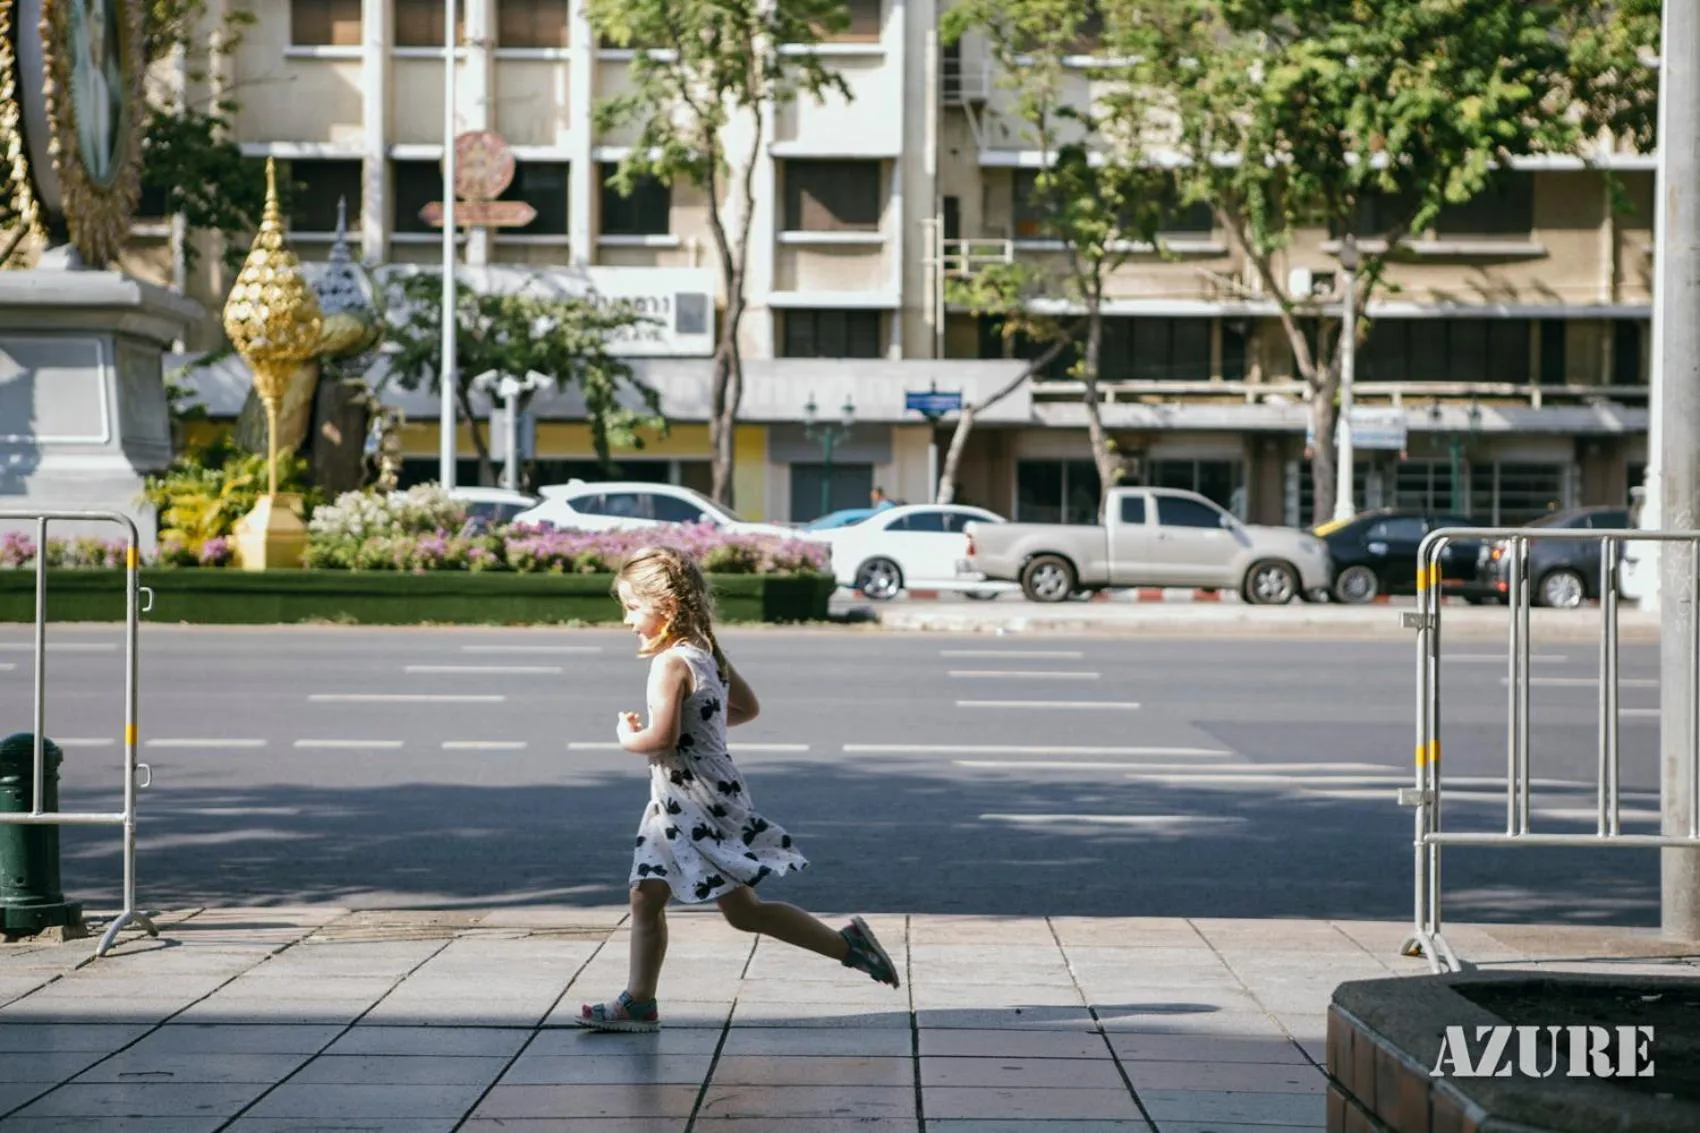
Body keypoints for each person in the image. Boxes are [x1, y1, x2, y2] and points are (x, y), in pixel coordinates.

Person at [580, 546, 901, 1032]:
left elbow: (661, 739)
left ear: (664, 606)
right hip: (695, 791)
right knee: (655, 896)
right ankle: (639, 1002)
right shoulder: (705, 652)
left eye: (632, 607)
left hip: (692, 798)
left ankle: (847, 946)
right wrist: (702, 724)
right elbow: (746, 708)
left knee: (740, 911)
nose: (627, 620)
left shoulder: (669, 664)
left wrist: (628, 736)